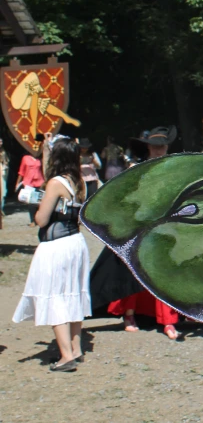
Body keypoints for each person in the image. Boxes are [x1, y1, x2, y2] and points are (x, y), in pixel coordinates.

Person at [94, 126, 182, 339]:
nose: (158, 150)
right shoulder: (136, 168)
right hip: (138, 225)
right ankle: (129, 315)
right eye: (154, 146)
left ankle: (169, 322)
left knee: (163, 273)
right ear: (148, 147)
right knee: (132, 270)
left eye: (161, 146)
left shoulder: (175, 167)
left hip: (164, 224)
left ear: (167, 146)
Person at [12, 136, 91, 372]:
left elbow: (41, 219)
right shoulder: (80, 181)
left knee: (55, 295)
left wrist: (38, 204)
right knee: (73, 294)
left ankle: (66, 356)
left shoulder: (55, 183)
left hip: (56, 245)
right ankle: (76, 348)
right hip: (75, 242)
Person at [15, 151, 44, 226]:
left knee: (39, 202)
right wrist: (17, 183)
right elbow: (21, 172)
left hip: (39, 182)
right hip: (29, 182)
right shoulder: (25, 158)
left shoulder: (40, 158)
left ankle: (39, 219)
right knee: (31, 203)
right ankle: (32, 221)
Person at [0, 137, 8, 216]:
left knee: (2, 191)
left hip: (2, 172)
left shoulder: (3, 152)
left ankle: (1, 209)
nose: (0, 143)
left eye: (1, 141)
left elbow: (5, 161)